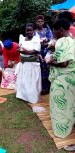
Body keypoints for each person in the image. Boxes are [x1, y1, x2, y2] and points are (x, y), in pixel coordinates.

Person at [47, 19, 75, 148]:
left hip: (61, 81)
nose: (54, 33)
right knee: (71, 104)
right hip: (72, 79)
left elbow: (63, 63)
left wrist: (49, 61)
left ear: (60, 29)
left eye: (54, 30)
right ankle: (70, 126)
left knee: (60, 107)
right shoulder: (73, 40)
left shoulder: (62, 41)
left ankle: (61, 131)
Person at [16, 23, 41, 103]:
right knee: (23, 80)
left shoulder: (36, 39)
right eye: (27, 30)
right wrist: (20, 50)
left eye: (30, 30)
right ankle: (22, 95)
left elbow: (36, 50)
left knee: (31, 81)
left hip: (31, 63)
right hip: (23, 63)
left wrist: (25, 52)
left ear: (33, 31)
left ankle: (31, 97)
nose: (29, 32)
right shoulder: (22, 38)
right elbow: (19, 48)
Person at [35, 15, 53, 95]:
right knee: (39, 70)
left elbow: (51, 39)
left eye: (41, 21)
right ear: (36, 23)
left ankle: (48, 88)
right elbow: (34, 41)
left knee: (47, 69)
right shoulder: (34, 32)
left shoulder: (47, 30)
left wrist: (45, 42)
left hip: (47, 52)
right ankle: (41, 88)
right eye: (38, 21)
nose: (40, 23)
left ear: (43, 22)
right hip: (38, 53)